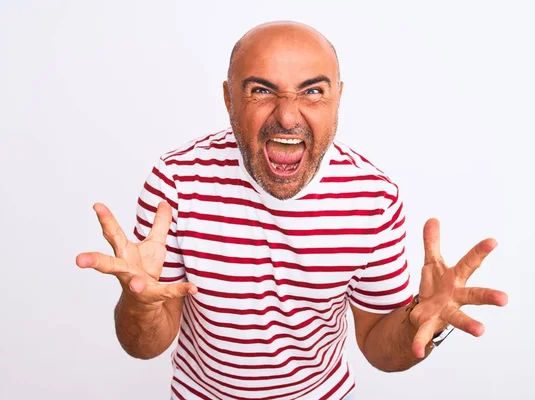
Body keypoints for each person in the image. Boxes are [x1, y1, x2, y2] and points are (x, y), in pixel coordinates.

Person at [76, 21, 508, 400]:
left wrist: (418, 319)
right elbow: (145, 344)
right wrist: (138, 303)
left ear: (337, 99)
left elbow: (379, 346)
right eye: (261, 90)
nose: (286, 117)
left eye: (313, 92)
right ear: (229, 99)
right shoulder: (176, 182)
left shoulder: (373, 198)